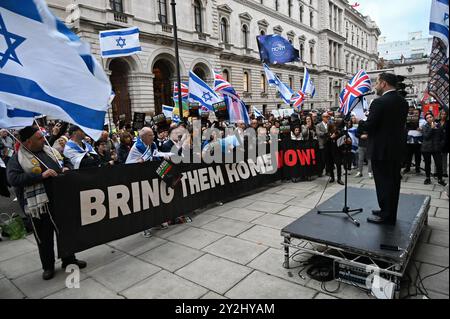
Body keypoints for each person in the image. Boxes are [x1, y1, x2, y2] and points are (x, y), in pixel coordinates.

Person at [6, 126, 86, 280]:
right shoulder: (17, 159)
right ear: (28, 142)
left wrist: (67, 167)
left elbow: (66, 161)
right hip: (38, 206)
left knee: (65, 232)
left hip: (59, 200)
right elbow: (13, 179)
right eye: (39, 138)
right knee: (44, 237)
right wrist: (41, 175)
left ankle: (69, 259)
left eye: (43, 137)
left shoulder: (49, 151)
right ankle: (48, 266)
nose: (44, 140)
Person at [365, 73, 409, 225]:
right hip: (396, 149)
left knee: (383, 183)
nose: (375, 86)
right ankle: (389, 211)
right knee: (393, 183)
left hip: (381, 150)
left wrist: (359, 123)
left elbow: (370, 126)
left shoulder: (379, 102)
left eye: (376, 82)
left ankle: (386, 215)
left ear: (383, 83)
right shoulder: (403, 102)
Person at [421, 112, 447, 186]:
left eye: (430, 117)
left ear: (433, 117)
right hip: (426, 148)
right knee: (427, 164)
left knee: (439, 164)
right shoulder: (424, 127)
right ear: (426, 120)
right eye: (427, 118)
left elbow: (443, 137)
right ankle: (427, 178)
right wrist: (432, 129)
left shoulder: (439, 126)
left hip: (436, 148)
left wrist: (441, 145)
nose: (429, 118)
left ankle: (440, 179)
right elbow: (426, 136)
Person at [316, 113, 330, 177]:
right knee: (322, 159)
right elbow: (318, 133)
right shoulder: (318, 125)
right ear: (323, 117)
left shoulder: (329, 124)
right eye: (326, 117)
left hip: (328, 144)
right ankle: (320, 171)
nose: (327, 118)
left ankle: (328, 171)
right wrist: (326, 133)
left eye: (328, 117)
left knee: (328, 159)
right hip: (322, 144)